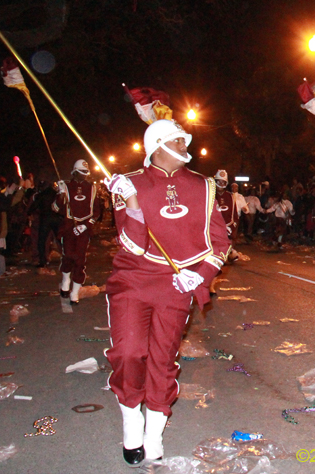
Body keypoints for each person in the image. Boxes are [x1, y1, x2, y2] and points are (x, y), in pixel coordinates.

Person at [103, 119, 229, 465]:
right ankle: (131, 418)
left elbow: (220, 242)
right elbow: (132, 246)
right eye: (176, 140)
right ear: (157, 145)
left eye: (183, 139)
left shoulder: (204, 186)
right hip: (134, 279)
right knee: (128, 352)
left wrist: (200, 276)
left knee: (163, 359)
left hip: (177, 284)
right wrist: (131, 202)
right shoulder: (127, 183)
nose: (184, 144)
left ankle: (154, 432)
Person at [54, 159, 102, 304]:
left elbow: (97, 211)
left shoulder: (92, 188)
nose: (84, 175)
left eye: (86, 172)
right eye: (81, 172)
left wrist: (85, 225)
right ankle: (65, 281)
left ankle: (75, 292)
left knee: (80, 260)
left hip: (84, 229)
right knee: (68, 256)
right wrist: (61, 194)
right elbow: (56, 209)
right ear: (74, 172)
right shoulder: (66, 186)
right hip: (68, 228)